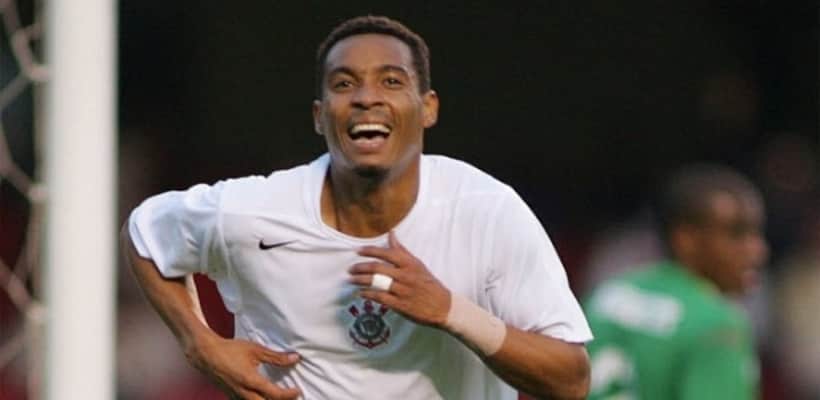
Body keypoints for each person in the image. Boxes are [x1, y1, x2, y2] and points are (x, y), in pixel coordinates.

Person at [122, 15, 591, 400]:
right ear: (319, 115)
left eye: (391, 81)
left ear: (428, 108)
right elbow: (144, 236)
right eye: (344, 84)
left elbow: (571, 379)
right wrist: (200, 345)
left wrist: (451, 311)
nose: (367, 98)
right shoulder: (255, 212)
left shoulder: (486, 212)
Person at [584, 164, 768, 399]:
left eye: (757, 234)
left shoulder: (606, 295)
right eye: (736, 234)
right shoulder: (717, 325)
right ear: (686, 239)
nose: (757, 250)